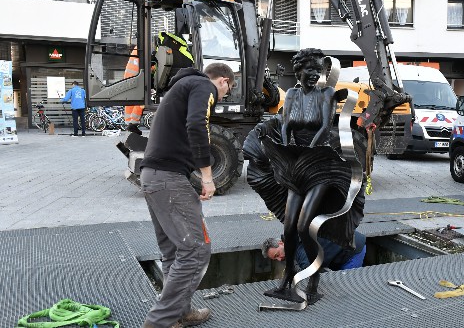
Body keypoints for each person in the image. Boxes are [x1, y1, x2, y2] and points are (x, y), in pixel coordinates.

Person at [242, 48, 366, 304]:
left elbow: (323, 127)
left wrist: (305, 154)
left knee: (305, 226)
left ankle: (314, 280)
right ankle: (287, 281)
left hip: (319, 165)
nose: (313, 75)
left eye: (318, 70)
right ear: (298, 71)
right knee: (288, 228)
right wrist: (286, 151)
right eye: (309, 70)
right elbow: (286, 125)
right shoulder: (293, 95)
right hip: (294, 164)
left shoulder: (327, 93)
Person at [140, 63, 235, 328]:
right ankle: (160, 322)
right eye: (226, 91)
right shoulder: (203, 85)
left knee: (173, 250)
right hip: (168, 179)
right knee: (195, 249)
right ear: (224, 81)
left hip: (153, 176)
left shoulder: (180, 87)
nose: (222, 97)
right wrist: (207, 176)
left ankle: (179, 313)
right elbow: (197, 124)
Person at [262, 231, 366, 272]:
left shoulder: (298, 247)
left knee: (348, 286)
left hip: (352, 250)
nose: (279, 259)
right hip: (342, 245)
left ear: (281, 243)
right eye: (275, 259)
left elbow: (310, 270)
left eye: (277, 255)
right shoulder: (291, 238)